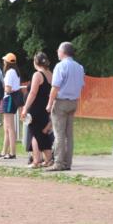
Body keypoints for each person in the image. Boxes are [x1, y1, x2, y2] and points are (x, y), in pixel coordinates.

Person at [45, 42, 84, 172]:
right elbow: (81, 85)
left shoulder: (60, 66)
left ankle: (58, 163)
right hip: (73, 102)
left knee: (59, 134)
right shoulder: (79, 67)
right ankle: (68, 163)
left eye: (58, 50)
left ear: (63, 52)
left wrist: (50, 104)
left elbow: (55, 87)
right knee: (69, 134)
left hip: (61, 102)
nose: (57, 52)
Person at [21, 52, 55, 168]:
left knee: (34, 133)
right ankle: (48, 159)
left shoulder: (37, 75)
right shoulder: (50, 74)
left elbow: (33, 93)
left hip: (35, 109)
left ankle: (37, 161)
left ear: (36, 62)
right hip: (45, 108)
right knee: (41, 134)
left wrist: (25, 108)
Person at [0, 52, 22, 160]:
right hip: (12, 99)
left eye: (4, 61)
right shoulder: (16, 72)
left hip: (8, 98)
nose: (3, 62)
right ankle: (4, 151)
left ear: (7, 62)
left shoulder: (9, 72)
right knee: (7, 127)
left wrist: (2, 88)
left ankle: (12, 152)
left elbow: (8, 89)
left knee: (9, 127)